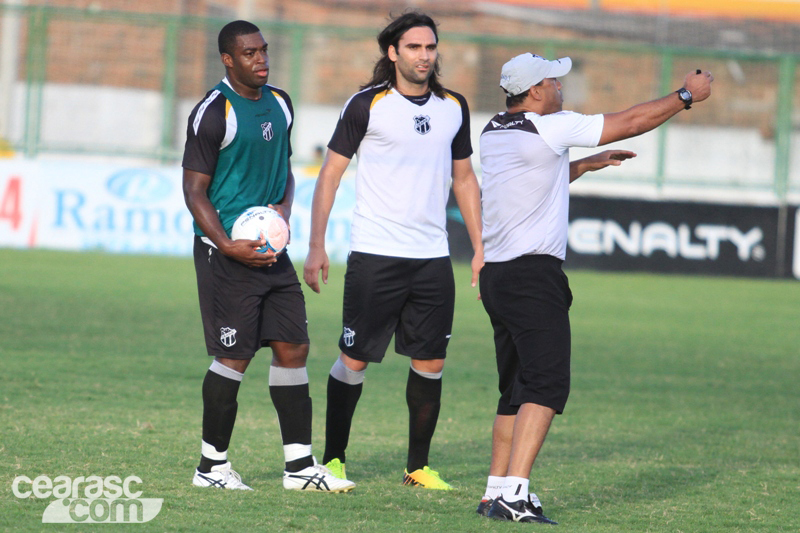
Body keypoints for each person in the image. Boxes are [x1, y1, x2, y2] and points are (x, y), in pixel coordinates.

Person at [477, 53, 713, 522]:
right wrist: (686, 95)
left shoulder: (493, 130)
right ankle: (516, 495)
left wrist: (583, 166)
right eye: (555, 81)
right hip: (531, 276)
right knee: (545, 384)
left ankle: (495, 491)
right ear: (537, 91)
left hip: (498, 276)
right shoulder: (552, 125)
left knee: (515, 390)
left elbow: (530, 180)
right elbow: (629, 121)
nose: (563, 88)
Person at [303, 11, 483, 490]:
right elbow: (330, 176)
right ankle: (334, 459)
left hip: (432, 258)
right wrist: (316, 244)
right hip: (375, 255)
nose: (424, 56)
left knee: (431, 363)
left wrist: (481, 248)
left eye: (430, 47)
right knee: (355, 359)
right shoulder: (367, 104)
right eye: (414, 48)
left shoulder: (453, 107)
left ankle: (417, 468)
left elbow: (464, 178)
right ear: (393, 52)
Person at [181, 19, 354, 493]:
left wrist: (282, 210)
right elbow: (193, 190)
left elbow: (287, 172)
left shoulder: (280, 103)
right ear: (228, 59)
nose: (261, 59)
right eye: (250, 53)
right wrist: (226, 242)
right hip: (226, 253)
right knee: (233, 357)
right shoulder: (213, 113)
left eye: (264, 51)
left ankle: (299, 469)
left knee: (293, 346)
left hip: (270, 252)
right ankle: (211, 469)